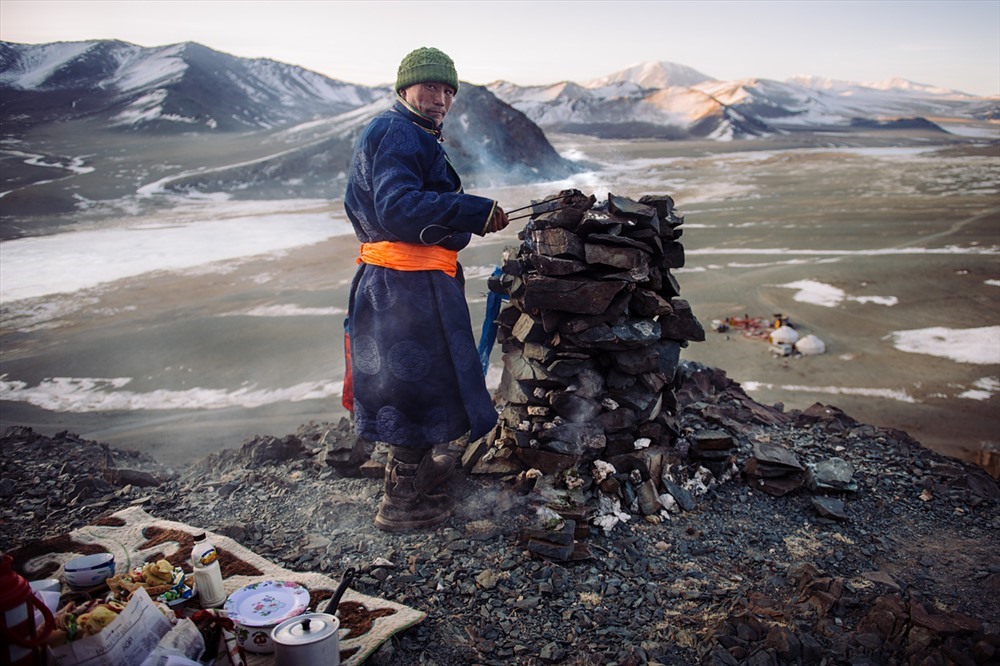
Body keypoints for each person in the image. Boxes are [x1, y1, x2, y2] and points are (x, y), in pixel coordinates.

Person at [343, 47, 509, 532]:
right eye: (430, 87)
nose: (440, 98)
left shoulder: (410, 132)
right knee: (411, 380)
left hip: (401, 280)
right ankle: (402, 502)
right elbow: (397, 208)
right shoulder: (397, 130)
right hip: (405, 286)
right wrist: (471, 211)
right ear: (404, 90)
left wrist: (468, 215)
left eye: (448, 90)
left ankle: (412, 472)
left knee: (415, 378)